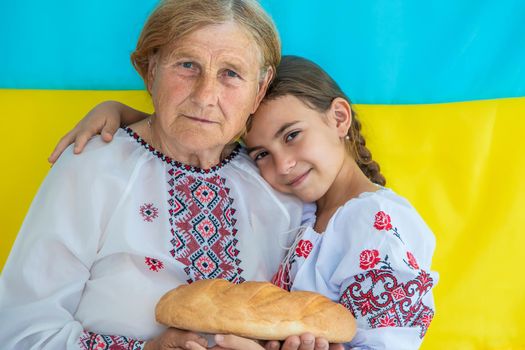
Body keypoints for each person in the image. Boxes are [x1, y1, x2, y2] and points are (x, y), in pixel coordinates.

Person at [0, 1, 340, 349]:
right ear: (150, 70)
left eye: (231, 74)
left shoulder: (279, 182)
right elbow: (20, 330)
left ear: (261, 87)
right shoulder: (93, 170)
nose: (205, 96)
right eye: (187, 65)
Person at [55, 56, 438, 350]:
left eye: (292, 136)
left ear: (338, 118)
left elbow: (390, 339)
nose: (283, 165)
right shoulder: (305, 206)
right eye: (260, 154)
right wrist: (120, 113)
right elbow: (193, 139)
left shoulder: (377, 225)